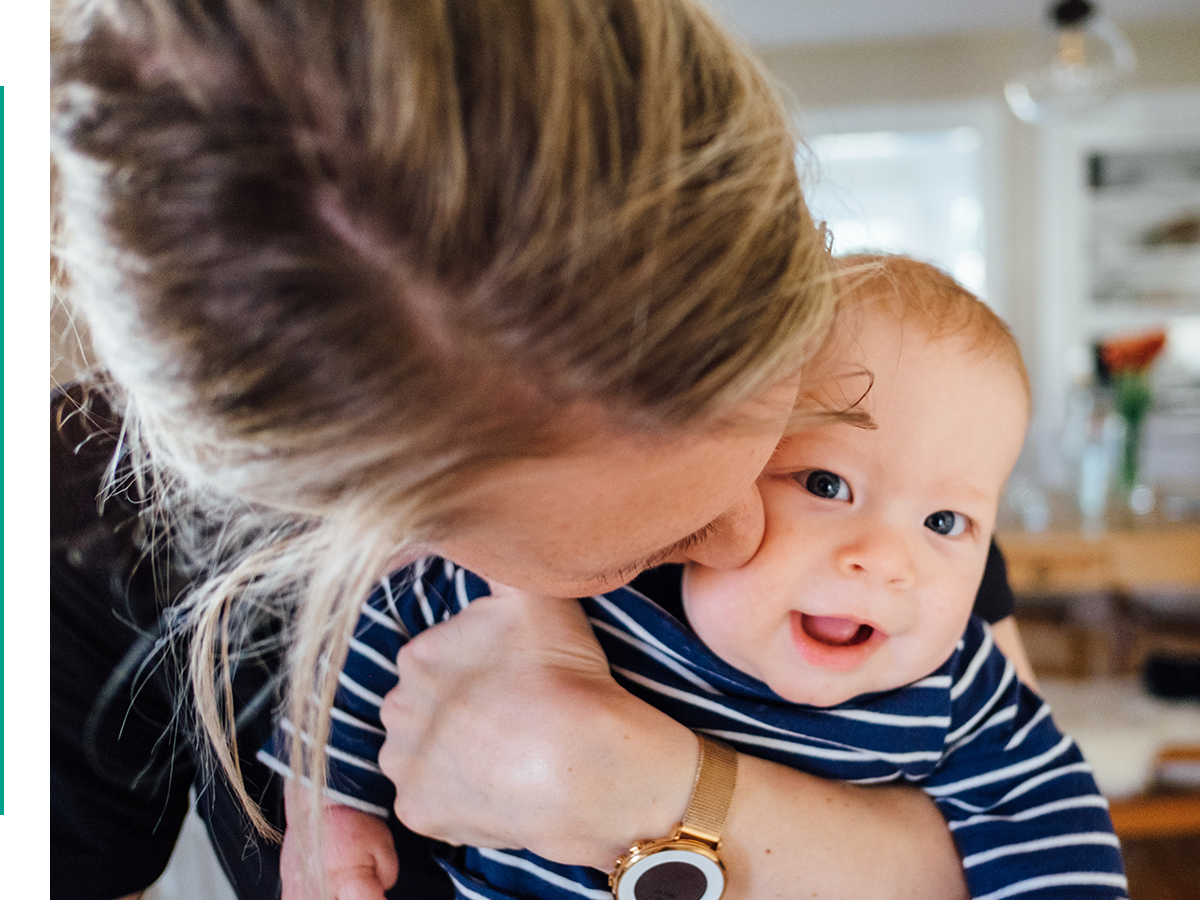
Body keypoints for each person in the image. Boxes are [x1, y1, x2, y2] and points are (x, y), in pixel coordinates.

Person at [48, 2, 1027, 899]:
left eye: (779, 446)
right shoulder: (76, 539)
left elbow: (1021, 830)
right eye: (649, 542)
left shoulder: (884, 445)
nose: (749, 534)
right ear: (365, 525)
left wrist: (656, 790)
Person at [269, 256, 1127, 900]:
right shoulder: (597, 582)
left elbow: (1055, 830)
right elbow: (384, 623)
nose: (886, 558)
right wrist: (329, 802)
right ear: (724, 463)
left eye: (947, 523)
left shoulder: (955, 683)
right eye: (826, 486)